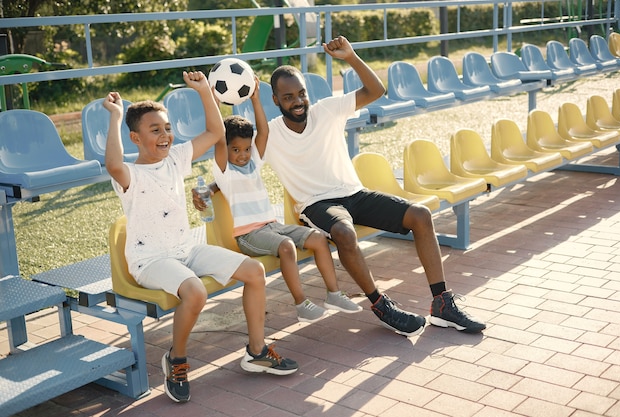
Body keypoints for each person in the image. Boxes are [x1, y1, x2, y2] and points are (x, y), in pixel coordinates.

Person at [263, 36, 486, 336]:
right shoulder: (269, 134)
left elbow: (376, 90)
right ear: (275, 100)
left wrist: (351, 57)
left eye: (301, 93)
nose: (298, 101)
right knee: (344, 232)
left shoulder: (326, 110)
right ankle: (380, 304)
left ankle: (442, 304)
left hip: (355, 194)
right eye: (288, 97)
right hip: (318, 204)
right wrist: (209, 190)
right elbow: (235, 158)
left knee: (420, 215)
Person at [103, 70, 298, 404]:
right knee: (194, 292)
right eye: (155, 131)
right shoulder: (129, 175)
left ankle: (256, 351)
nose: (165, 136)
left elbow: (215, 131)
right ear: (135, 138)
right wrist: (116, 118)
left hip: (185, 249)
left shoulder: (176, 159)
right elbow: (111, 162)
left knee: (255, 271)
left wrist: (206, 91)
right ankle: (176, 360)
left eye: (167, 128)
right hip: (150, 260)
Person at [209, 77, 363, 323]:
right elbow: (217, 135)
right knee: (287, 247)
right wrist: (213, 102)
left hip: (272, 226)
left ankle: (333, 294)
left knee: (319, 239)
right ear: (226, 150)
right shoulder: (224, 172)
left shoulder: (254, 162)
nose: (243, 155)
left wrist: (256, 98)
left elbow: (265, 131)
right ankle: (301, 304)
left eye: (246, 149)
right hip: (249, 235)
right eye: (235, 150)